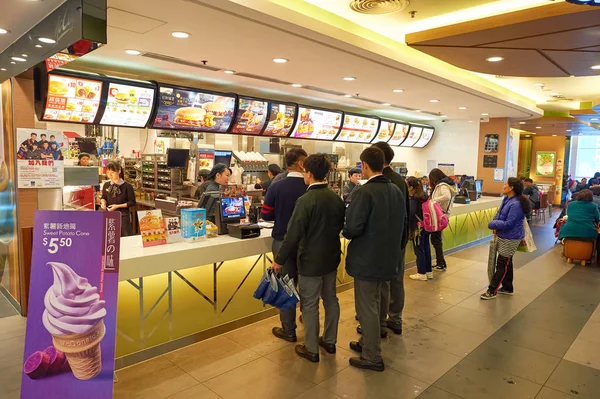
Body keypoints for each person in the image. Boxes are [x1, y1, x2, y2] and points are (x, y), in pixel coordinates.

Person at [271, 154, 345, 363]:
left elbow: (292, 234)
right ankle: (329, 340)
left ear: (309, 174)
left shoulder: (305, 200)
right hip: (331, 258)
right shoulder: (335, 198)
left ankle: (311, 348)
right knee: (331, 299)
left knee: (310, 303)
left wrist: (279, 259)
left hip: (310, 261)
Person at [344, 147, 405, 372]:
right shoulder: (396, 190)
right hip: (389, 257)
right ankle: (368, 342)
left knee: (367, 305)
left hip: (367, 259)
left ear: (365, 166)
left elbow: (352, 228)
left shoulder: (364, 192)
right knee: (378, 300)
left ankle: (372, 356)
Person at [261, 148, 308, 342]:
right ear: (300, 163)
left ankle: (289, 330)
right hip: (307, 244)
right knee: (307, 285)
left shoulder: (276, 186)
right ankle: (308, 319)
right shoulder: (311, 187)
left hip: (282, 243)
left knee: (287, 287)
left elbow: (266, 214)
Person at [370, 141, 409, 336]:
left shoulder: (380, 182)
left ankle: (380, 322)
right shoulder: (400, 180)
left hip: (383, 241)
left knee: (383, 284)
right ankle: (395, 318)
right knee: (396, 280)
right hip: (398, 238)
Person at [481, 177, 531, 300]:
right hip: (504, 235)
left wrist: (492, 224)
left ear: (511, 188)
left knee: (502, 263)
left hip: (511, 237)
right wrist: (495, 222)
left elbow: (509, 223)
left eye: (505, 184)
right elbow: (498, 214)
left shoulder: (516, 204)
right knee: (507, 262)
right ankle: (508, 288)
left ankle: (492, 290)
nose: (503, 186)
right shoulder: (507, 199)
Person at [429, 168, 457, 271]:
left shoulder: (442, 185)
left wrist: (433, 200)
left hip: (439, 215)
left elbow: (446, 196)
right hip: (442, 215)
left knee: (436, 240)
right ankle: (441, 262)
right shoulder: (446, 184)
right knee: (437, 239)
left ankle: (440, 263)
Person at [100, 161, 136, 237]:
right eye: (108, 172)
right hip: (110, 215)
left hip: (123, 216)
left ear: (119, 171)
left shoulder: (127, 186)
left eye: (112, 172)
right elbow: (103, 197)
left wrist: (117, 206)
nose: (109, 175)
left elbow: (132, 202)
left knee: (125, 237)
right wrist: (103, 203)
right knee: (111, 237)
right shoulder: (106, 185)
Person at [407, 177, 432, 281]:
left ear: (411, 187)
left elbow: (411, 213)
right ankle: (428, 271)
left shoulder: (414, 199)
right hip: (426, 225)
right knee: (426, 248)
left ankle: (421, 272)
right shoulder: (424, 196)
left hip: (417, 227)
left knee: (419, 249)